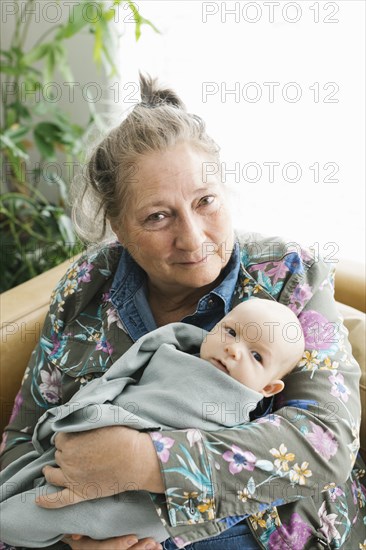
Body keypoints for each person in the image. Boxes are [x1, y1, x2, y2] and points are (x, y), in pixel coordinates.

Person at [0, 74, 364, 550]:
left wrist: (146, 459)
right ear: (119, 227)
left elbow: (325, 441)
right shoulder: (86, 286)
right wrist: (73, 540)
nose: (192, 238)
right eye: (157, 216)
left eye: (205, 202)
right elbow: (24, 437)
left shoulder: (289, 275)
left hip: (262, 533)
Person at [0, 299, 306, 548]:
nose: (234, 349)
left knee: (37, 512)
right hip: (93, 436)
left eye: (256, 356)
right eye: (230, 332)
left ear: (268, 389)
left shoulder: (244, 418)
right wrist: (89, 413)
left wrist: (138, 456)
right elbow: (118, 381)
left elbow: (235, 472)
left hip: (144, 498)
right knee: (31, 474)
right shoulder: (173, 349)